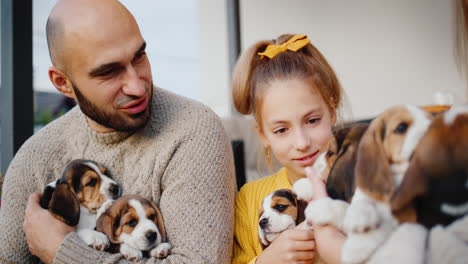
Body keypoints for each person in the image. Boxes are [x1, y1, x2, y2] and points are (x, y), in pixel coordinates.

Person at [0, 0, 235, 263]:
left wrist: (61, 251)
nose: (137, 86)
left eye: (139, 56)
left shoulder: (192, 131)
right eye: (109, 72)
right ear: (63, 83)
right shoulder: (34, 159)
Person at [231, 34, 346, 264]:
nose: (302, 143)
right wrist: (265, 261)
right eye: (282, 130)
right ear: (262, 134)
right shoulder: (249, 200)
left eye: (312, 120)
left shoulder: (364, 184)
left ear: (331, 112)